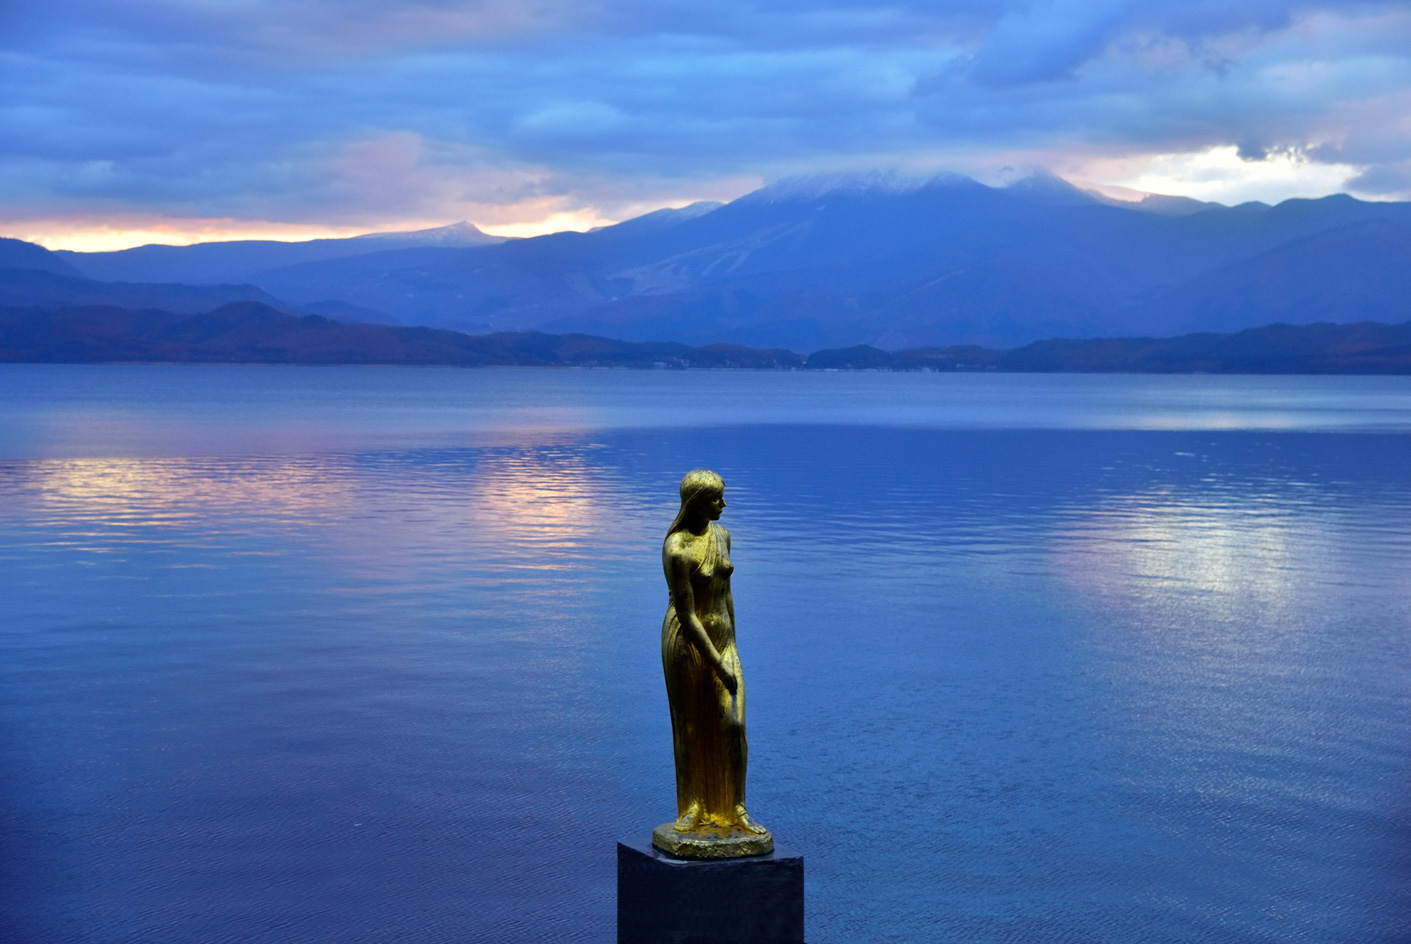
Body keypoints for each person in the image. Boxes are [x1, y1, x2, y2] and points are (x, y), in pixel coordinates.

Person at [660, 469, 769, 841]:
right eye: (716, 498)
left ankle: (736, 807)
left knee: (733, 724)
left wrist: (732, 648)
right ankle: (693, 806)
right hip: (687, 642)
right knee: (689, 725)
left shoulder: (723, 536)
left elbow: (726, 596)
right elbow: (688, 616)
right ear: (695, 503)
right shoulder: (677, 548)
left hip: (724, 640)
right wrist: (717, 663)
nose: (723, 504)